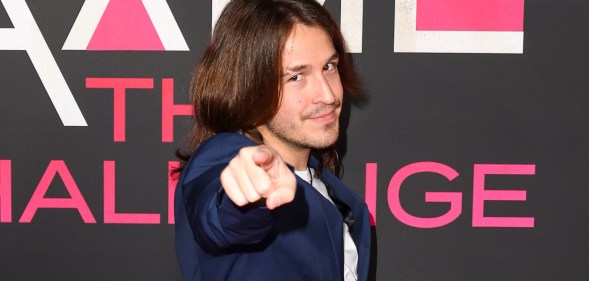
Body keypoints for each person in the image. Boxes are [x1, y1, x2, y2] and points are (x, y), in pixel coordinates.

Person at [173, 0, 371, 280]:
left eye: (329, 67)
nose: (328, 95)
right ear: (249, 86)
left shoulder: (326, 184)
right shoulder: (223, 156)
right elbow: (221, 214)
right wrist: (245, 200)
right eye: (297, 77)